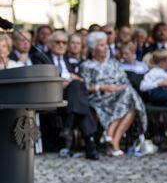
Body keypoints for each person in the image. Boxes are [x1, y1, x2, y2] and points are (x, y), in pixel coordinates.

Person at [31, 31, 99, 159]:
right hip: (50, 96)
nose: (61, 45)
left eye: (64, 42)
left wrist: (75, 81)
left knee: (77, 89)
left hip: (69, 99)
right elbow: (42, 78)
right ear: (50, 44)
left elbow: (81, 80)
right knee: (80, 99)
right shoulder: (41, 57)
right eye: (58, 42)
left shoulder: (69, 60)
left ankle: (68, 128)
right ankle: (89, 144)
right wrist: (62, 82)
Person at [81, 31, 146, 156]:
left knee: (129, 96)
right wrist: (103, 87)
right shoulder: (86, 66)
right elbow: (85, 87)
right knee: (131, 101)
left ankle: (113, 137)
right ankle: (113, 140)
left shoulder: (114, 63)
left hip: (119, 95)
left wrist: (116, 88)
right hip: (99, 97)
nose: (106, 47)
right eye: (101, 45)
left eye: (106, 44)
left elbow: (125, 82)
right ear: (93, 49)